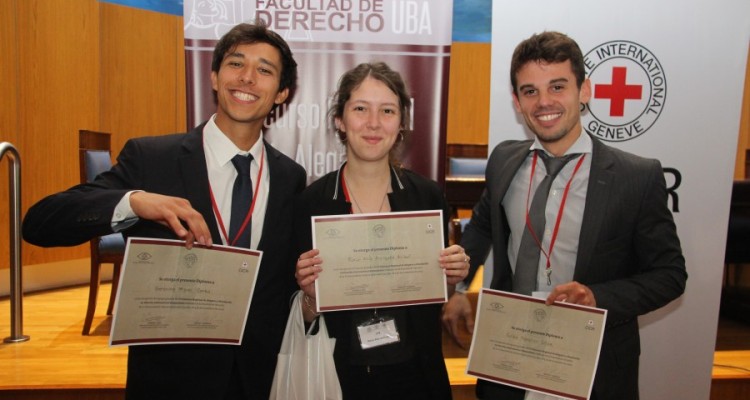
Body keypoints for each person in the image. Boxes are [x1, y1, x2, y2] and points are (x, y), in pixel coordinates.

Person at [22, 22, 307, 400]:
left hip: (257, 377)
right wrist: (134, 201)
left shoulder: (291, 176)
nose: (248, 78)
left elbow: (282, 283)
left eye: (265, 70)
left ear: (281, 93)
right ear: (215, 77)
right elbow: (40, 223)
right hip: (170, 379)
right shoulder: (152, 159)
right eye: (236, 64)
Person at [441, 31, 687, 400]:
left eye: (557, 87)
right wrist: (459, 287)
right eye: (530, 91)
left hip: (591, 365)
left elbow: (670, 275)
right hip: (509, 355)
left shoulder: (636, 177)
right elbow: (484, 224)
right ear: (516, 101)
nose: (544, 102)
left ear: (584, 90)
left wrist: (596, 296)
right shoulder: (504, 160)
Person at [293, 62, 469, 400]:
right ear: (340, 120)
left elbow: (434, 295)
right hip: (337, 376)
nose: (374, 123)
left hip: (415, 376)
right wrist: (309, 298)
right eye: (360, 109)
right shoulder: (310, 204)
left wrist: (450, 276)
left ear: (401, 123)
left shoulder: (427, 198)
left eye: (387, 111)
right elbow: (295, 314)